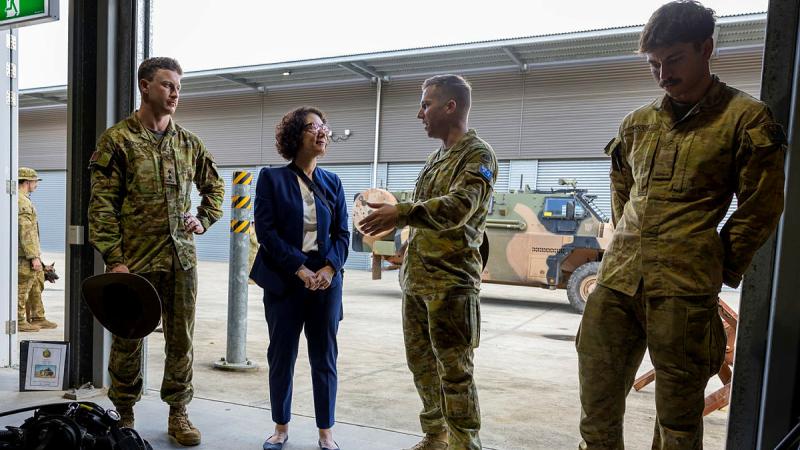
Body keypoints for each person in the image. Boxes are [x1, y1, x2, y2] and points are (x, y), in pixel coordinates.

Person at [575, 2, 787, 449]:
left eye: (674, 60)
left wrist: (716, 261)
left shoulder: (744, 119)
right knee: (596, 413)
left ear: (705, 48)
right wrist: (624, 249)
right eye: (654, 64)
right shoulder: (637, 124)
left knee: (677, 423)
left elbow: (761, 206)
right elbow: (623, 196)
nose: (663, 74)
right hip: (616, 285)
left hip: (683, 294)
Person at [88, 56, 225, 447]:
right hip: (133, 260)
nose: (175, 92)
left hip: (181, 259)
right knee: (129, 337)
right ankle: (124, 411)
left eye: (179, 86)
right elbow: (101, 205)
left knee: (180, 339)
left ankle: (178, 411)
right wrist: (114, 258)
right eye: (167, 84)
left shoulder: (188, 143)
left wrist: (204, 218)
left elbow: (215, 188)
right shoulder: (117, 140)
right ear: (145, 86)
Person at [359, 74, 497, 450]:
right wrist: (405, 243)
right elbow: (425, 220)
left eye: (426, 104)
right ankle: (435, 435)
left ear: (450, 106)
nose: (420, 113)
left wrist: (400, 213)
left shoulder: (477, 155)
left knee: (455, 372)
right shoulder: (436, 158)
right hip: (418, 281)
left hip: (451, 286)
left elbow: (458, 208)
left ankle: (464, 443)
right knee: (422, 366)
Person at [250, 106, 349, 450]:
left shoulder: (333, 182)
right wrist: (300, 268)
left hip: (325, 283)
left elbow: (343, 234)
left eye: (324, 125)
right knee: (282, 356)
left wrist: (329, 269)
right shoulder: (271, 178)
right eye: (312, 126)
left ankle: (326, 433)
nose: (322, 131)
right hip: (286, 281)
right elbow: (266, 231)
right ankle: (280, 428)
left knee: (324, 357)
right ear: (295, 136)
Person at [17, 167, 57, 332]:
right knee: (21, 287)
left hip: (27, 253)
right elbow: (26, 231)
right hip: (25, 255)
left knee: (32, 284)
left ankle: (36, 317)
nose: (36, 185)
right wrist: (33, 256)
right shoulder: (22, 202)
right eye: (35, 181)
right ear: (27, 182)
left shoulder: (21, 199)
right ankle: (19, 321)